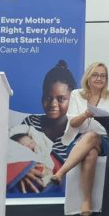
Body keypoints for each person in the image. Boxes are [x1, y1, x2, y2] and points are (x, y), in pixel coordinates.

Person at [49, 62, 109, 216]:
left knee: (92, 135)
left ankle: (61, 172)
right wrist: (85, 115)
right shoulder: (76, 94)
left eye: (103, 76)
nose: (99, 78)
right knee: (90, 154)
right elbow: (73, 123)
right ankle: (87, 202)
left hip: (104, 140)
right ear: (88, 77)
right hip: (78, 140)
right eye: (95, 75)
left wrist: (103, 119)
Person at [16, 60, 77, 193]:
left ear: (72, 100)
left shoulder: (77, 130)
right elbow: (12, 153)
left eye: (61, 99)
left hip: (65, 195)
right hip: (29, 194)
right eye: (48, 98)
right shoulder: (30, 123)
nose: (53, 104)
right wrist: (22, 170)